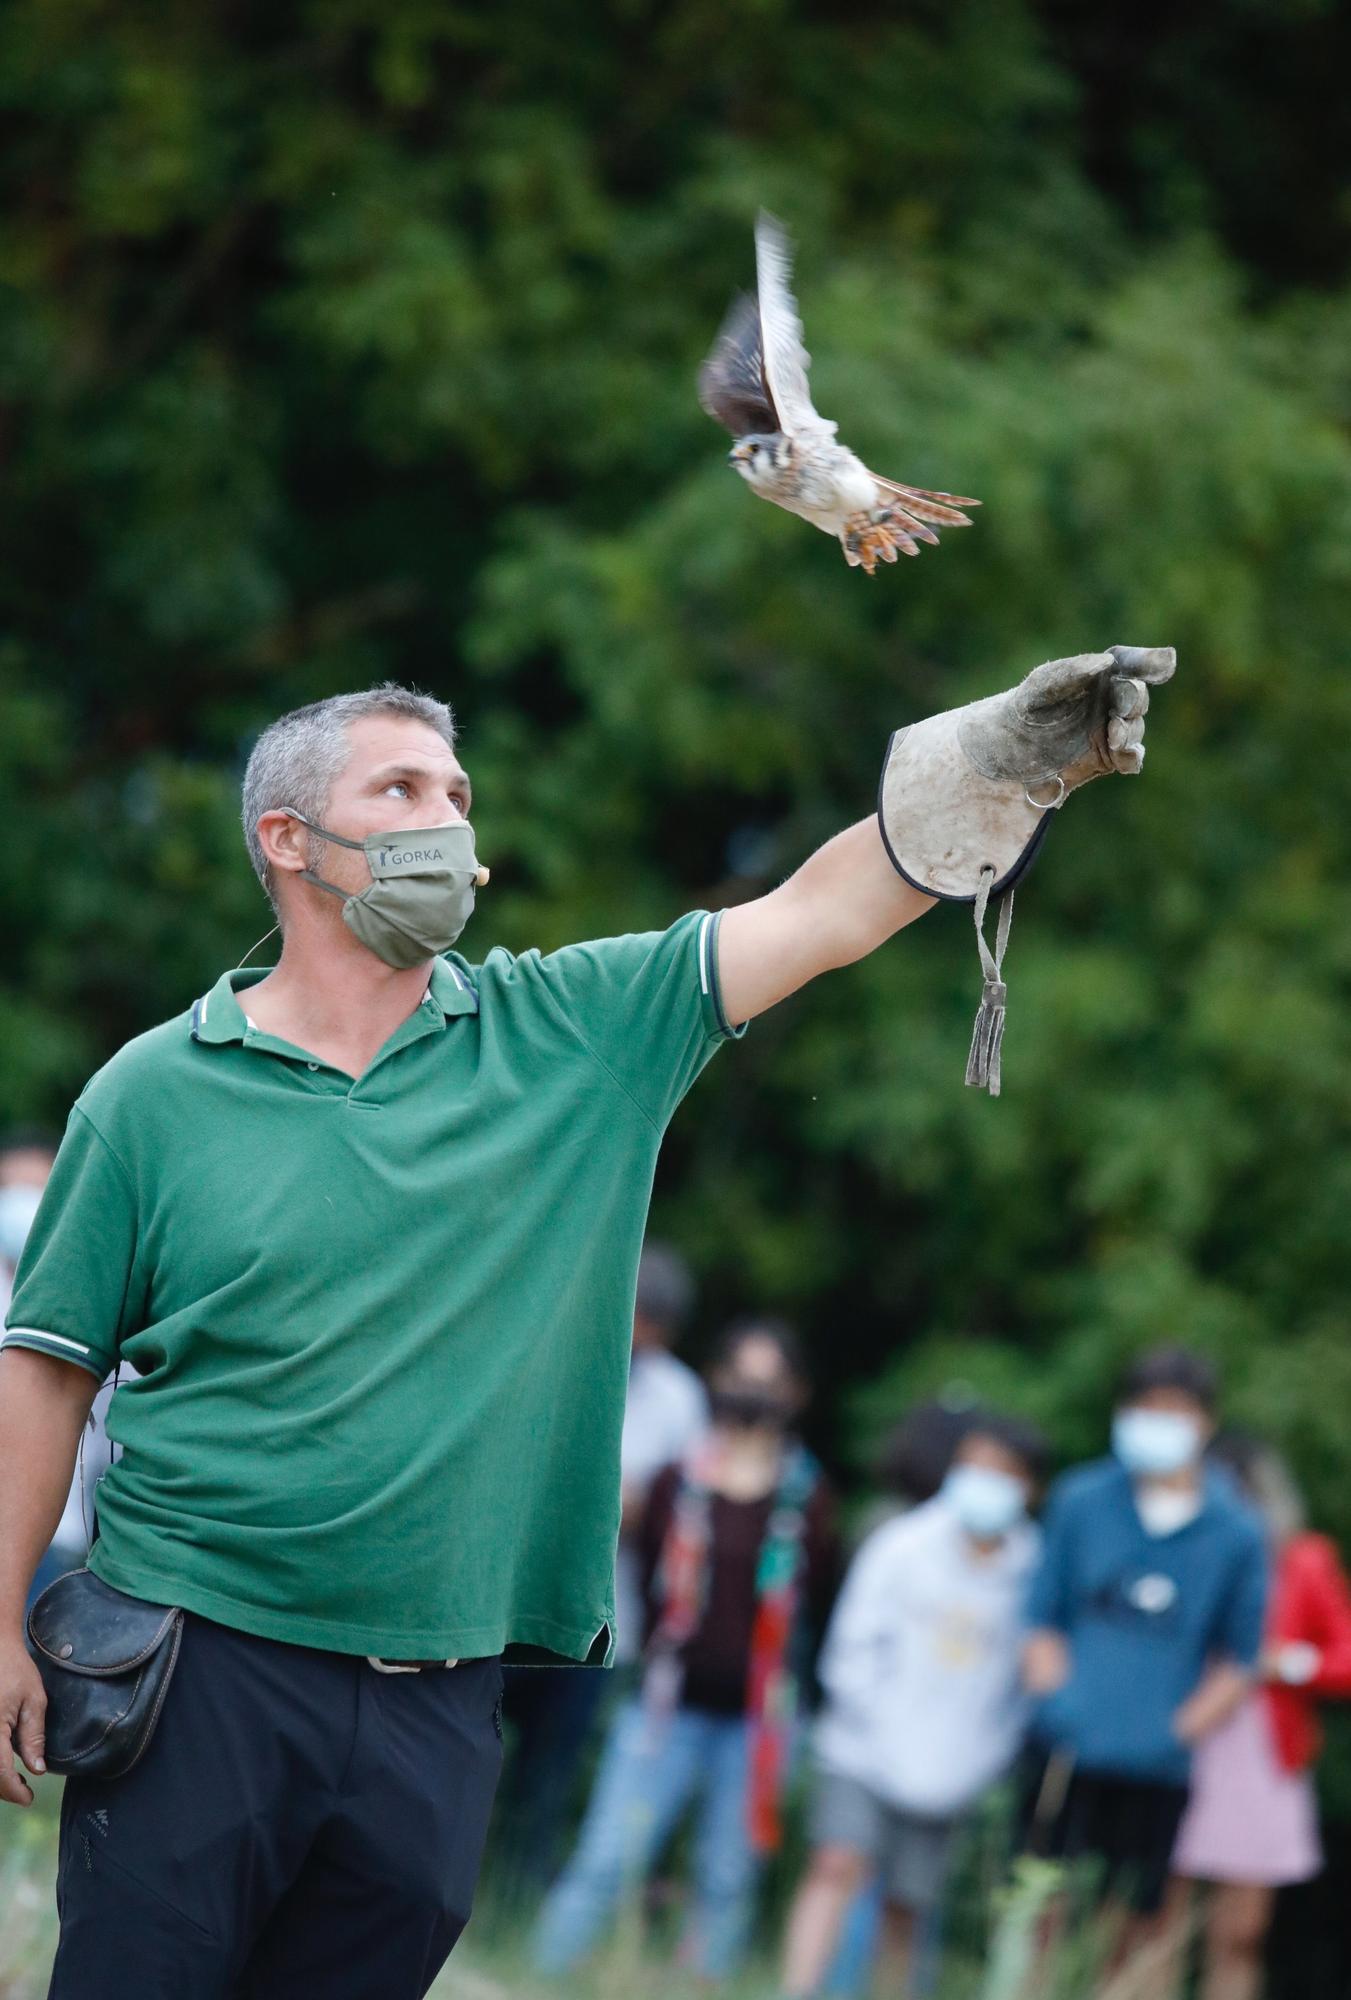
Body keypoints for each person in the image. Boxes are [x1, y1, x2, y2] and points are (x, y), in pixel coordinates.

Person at [0, 647, 1169, 1997]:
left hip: (435, 1688)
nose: (448, 816)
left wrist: (1001, 765)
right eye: (400, 787)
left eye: (458, 789)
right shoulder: (154, 1092)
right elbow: (46, 1365)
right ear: (290, 840)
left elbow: (819, 913)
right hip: (196, 1659)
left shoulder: (569, 1033)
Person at [533, 1319, 836, 1980]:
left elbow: (814, 1598)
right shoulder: (679, 1480)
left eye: (769, 1380)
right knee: (607, 1856)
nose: (752, 1394)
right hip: (665, 1704)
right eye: (740, 1376)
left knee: (725, 1877)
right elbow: (648, 1582)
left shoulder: (806, 1497)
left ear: (796, 1392)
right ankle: (541, 1980)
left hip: (758, 1718)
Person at [1020, 1347, 1267, 1986]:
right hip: (1065, 1751)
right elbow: (1039, 1619)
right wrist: (1060, 1706)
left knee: (1136, 1925)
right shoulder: (1081, 1498)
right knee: (1039, 1906)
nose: (1154, 1423)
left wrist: (1174, 1733)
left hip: (1157, 1768)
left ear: (1204, 1422)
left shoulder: (1236, 1532)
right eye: (1143, 1408)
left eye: (1172, 1411)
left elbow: (1241, 1661)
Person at [782, 1411, 1047, 2000]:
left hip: (954, 1769)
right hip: (862, 1749)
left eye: (1000, 1471)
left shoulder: (1034, 1569)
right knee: (834, 1866)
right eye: (972, 1465)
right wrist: (885, 1735)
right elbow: (850, 1650)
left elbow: (1019, 1692)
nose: (982, 1481)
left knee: (908, 1908)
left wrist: (978, 1763)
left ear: (1030, 1486)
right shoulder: (902, 1543)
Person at [494, 1241, 706, 1894]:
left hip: (603, 1615)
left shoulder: (677, 1397)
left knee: (553, 1763)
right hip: (509, 1598)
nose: (641, 1334)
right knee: (468, 1742)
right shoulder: (548, 1351)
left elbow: (685, 1510)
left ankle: (515, 1897)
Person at [1168, 1434, 1351, 2000]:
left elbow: (1344, 1656)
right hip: (1180, 1741)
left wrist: (1285, 1662)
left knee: (1241, 1932)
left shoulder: (1303, 1560)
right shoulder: (1176, 1551)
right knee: (1160, 1925)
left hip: (1262, 1752)